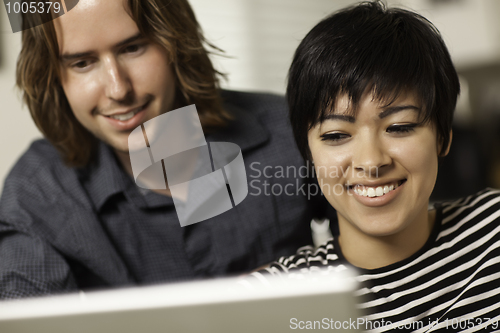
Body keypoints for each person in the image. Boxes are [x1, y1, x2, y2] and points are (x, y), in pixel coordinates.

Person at [0, 0, 329, 299]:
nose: (118, 89)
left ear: (175, 41)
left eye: (133, 48)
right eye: (82, 63)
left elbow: (373, 264)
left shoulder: (290, 128)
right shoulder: (38, 187)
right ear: (51, 76)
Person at [250, 1, 500, 331]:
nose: (371, 161)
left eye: (399, 127)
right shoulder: (274, 299)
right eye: (337, 134)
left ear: (442, 138)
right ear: (308, 153)